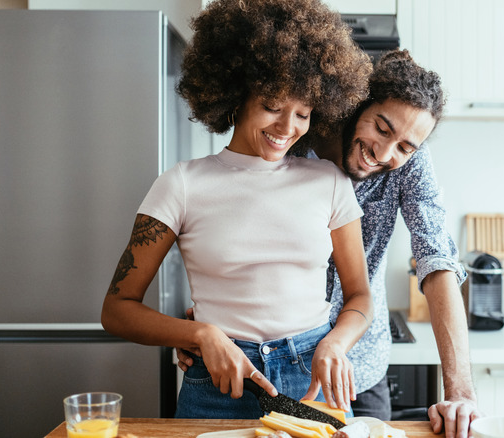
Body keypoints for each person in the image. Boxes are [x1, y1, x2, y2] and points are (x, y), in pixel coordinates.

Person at [179, 49, 482, 437]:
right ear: (358, 105)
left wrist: (461, 393)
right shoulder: (289, 141)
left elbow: (437, 259)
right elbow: (231, 231)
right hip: (272, 369)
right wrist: (207, 325)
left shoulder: (411, 163)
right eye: (382, 128)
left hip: (357, 369)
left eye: (405, 147)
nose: (386, 153)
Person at [101, 0, 374, 419]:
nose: (287, 128)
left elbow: (358, 297)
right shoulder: (181, 184)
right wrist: (200, 335)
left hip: (312, 381)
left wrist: (336, 343)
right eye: (272, 105)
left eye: (302, 113)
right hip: (218, 382)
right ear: (235, 93)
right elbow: (117, 310)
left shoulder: (329, 182)